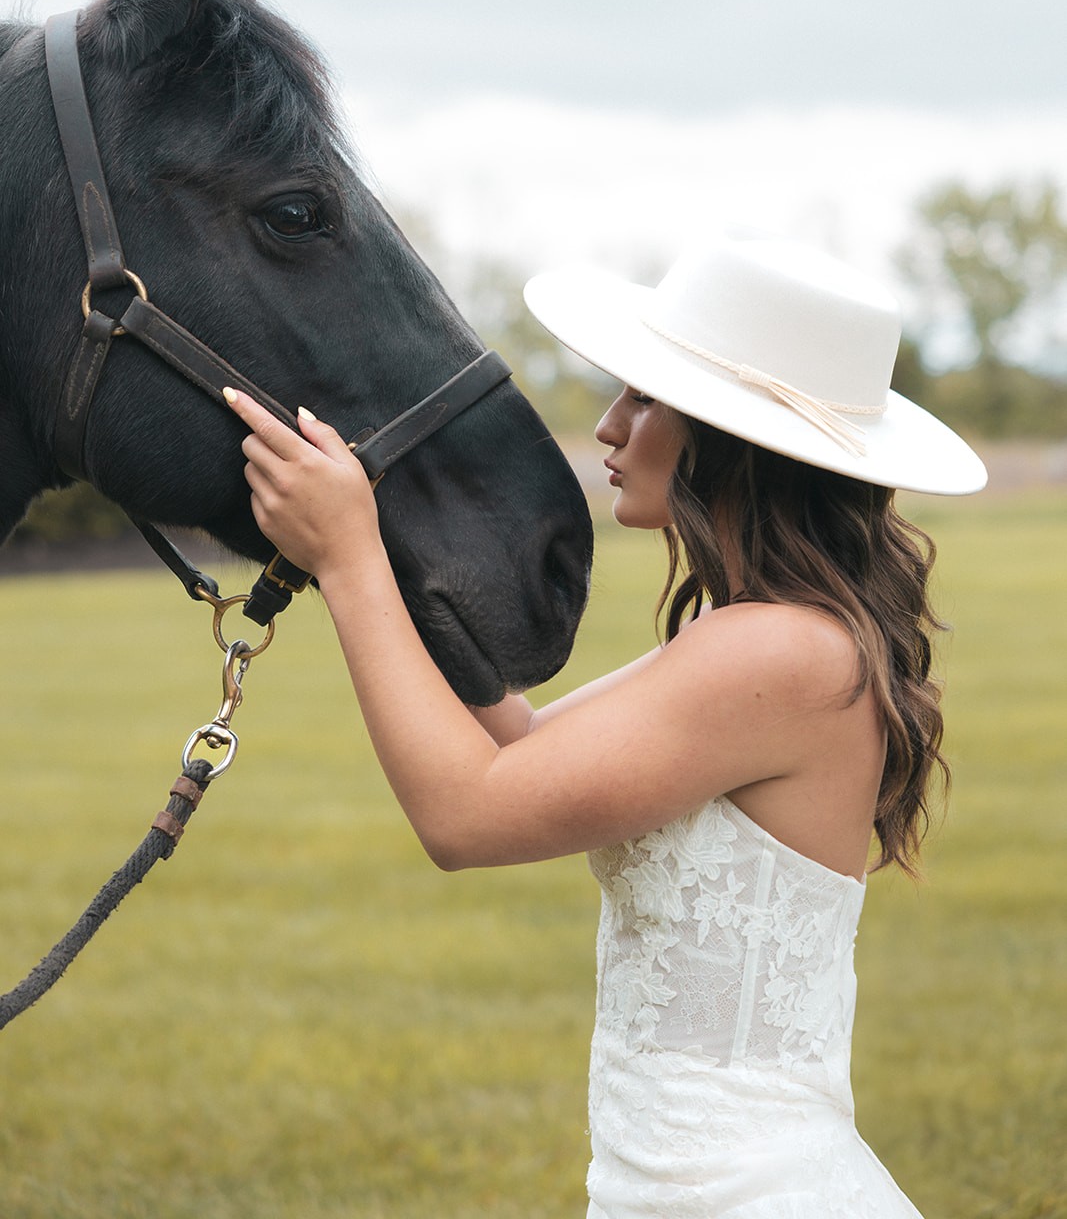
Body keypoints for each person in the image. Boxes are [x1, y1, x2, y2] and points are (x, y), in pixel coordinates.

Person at [226, 231, 987, 1218]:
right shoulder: (759, 634)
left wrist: (349, 559)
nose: (607, 426)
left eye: (645, 399)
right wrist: (390, 535)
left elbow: (464, 814)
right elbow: (524, 749)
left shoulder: (776, 653)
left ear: (731, 438)